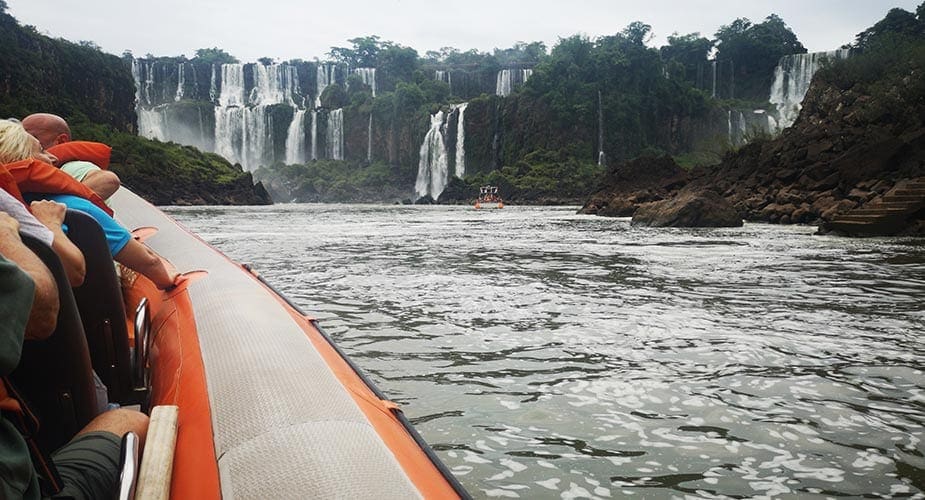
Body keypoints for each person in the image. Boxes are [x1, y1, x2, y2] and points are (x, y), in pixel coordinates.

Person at [0, 212, 149, 499]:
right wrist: (8, 235)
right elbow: (43, 310)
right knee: (131, 421)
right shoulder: (67, 210)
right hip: (18, 484)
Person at [0, 120, 179, 289]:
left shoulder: (8, 207)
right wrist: (167, 279)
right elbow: (150, 263)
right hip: (82, 316)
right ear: (22, 157)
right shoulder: (79, 209)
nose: (53, 157)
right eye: (41, 150)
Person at [21, 113, 121, 200]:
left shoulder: (71, 167)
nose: (23, 142)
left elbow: (108, 180)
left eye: (33, 137)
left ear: (61, 141)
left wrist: (55, 208)